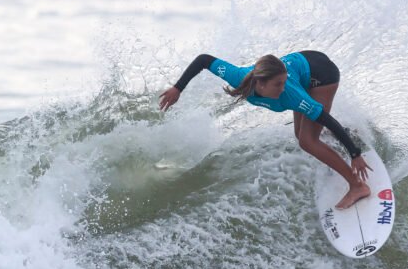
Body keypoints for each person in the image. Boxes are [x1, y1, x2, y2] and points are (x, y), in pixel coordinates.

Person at [158, 50, 372, 209]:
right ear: (260, 84)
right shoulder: (239, 76)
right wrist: (178, 88)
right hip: (304, 69)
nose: (282, 87)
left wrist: (355, 154)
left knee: (307, 140)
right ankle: (343, 135)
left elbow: (325, 117)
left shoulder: (291, 93)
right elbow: (204, 60)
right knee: (301, 134)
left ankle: (357, 186)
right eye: (277, 84)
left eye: (283, 82)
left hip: (321, 76)